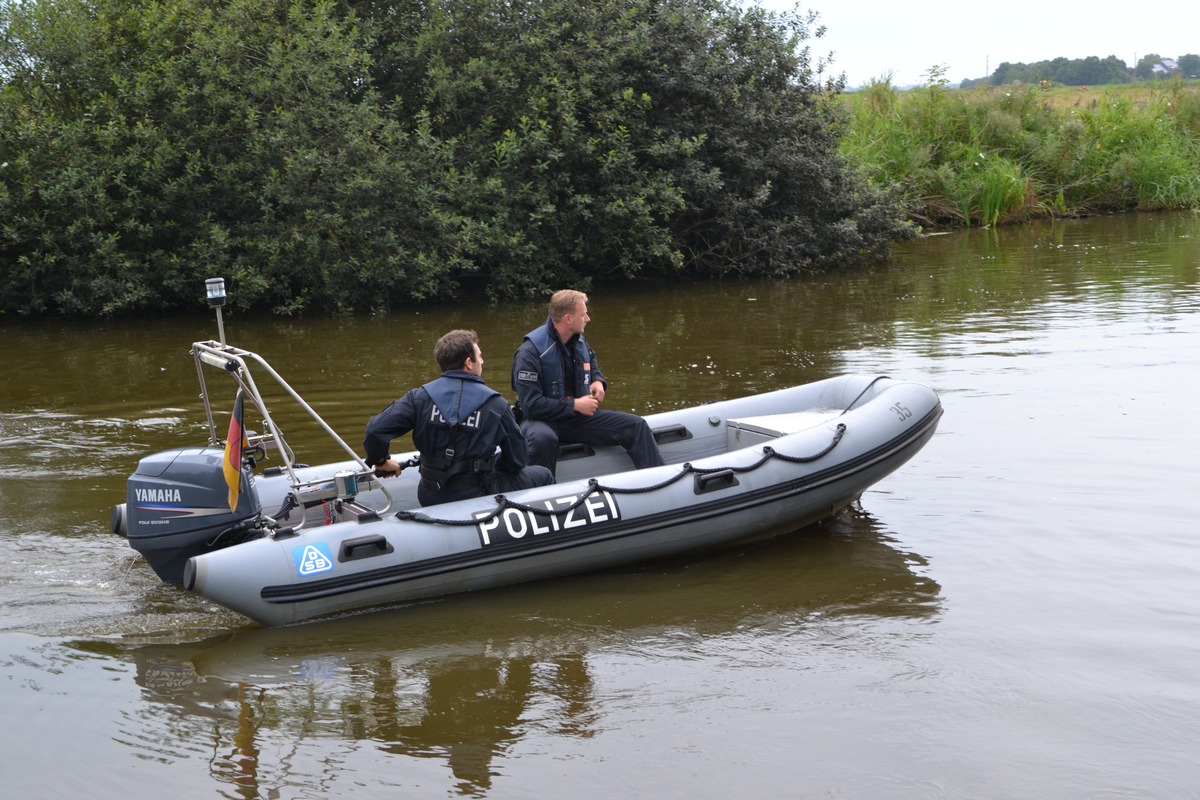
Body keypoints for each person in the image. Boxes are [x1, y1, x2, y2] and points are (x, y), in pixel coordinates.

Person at [365, 329, 554, 506]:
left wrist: (382, 461)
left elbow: (375, 430)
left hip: (429, 495)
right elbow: (517, 460)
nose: (483, 361)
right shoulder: (496, 404)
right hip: (475, 494)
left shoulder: (419, 397)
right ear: (468, 362)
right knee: (543, 474)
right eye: (479, 356)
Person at [511, 289, 665, 475]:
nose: (588, 318)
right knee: (543, 439)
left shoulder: (578, 340)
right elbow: (531, 406)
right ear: (568, 319)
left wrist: (598, 381)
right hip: (541, 420)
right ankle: (539, 493)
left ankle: (659, 479)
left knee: (636, 425)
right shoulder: (529, 352)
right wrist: (575, 405)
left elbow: (590, 362)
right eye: (583, 314)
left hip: (575, 418)